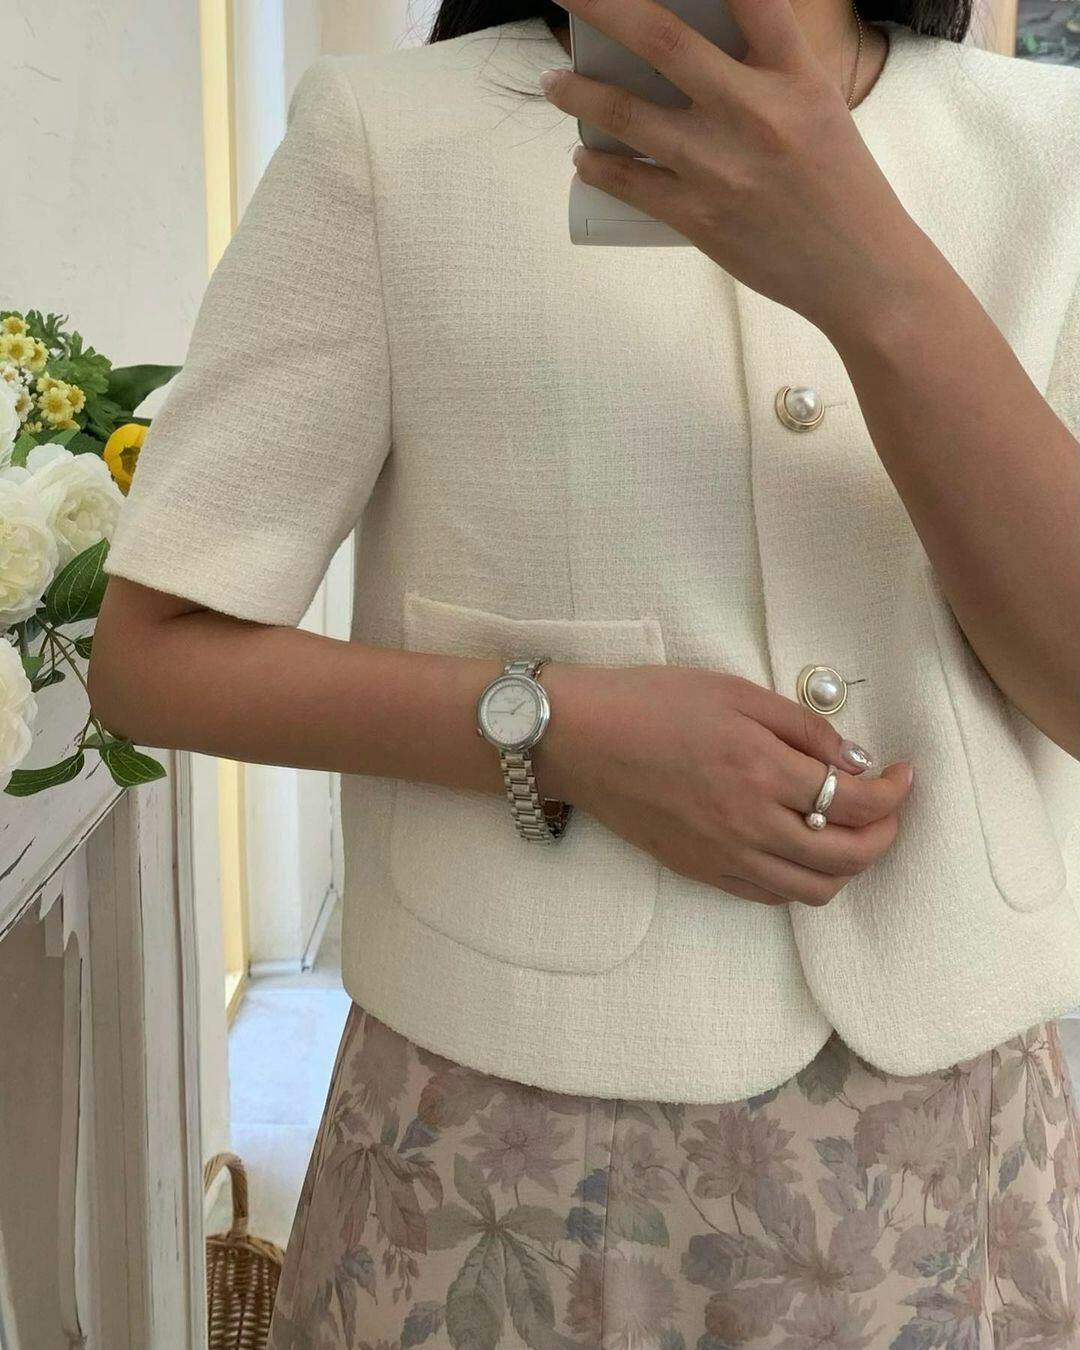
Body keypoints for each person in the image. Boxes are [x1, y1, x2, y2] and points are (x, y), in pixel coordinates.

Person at [89, 0, 1080, 1343]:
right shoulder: (390, 139)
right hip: (506, 1155)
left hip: (951, 1158)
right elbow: (152, 655)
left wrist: (875, 272)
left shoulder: (1045, 146)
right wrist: (554, 727)